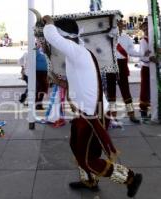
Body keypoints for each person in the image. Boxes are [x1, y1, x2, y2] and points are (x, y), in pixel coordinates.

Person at [42, 15, 142, 198]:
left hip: (92, 116)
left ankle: (130, 178)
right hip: (84, 114)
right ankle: (89, 181)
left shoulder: (77, 51)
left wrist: (49, 24)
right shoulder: (77, 52)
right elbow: (80, 83)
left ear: (65, 36)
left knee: (88, 158)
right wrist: (59, 82)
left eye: (60, 37)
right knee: (76, 146)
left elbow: (52, 36)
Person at [106, 19, 148, 124]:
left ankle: (131, 115)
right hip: (110, 65)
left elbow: (132, 51)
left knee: (126, 91)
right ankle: (113, 116)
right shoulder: (108, 37)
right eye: (116, 23)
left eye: (120, 23)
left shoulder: (126, 38)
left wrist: (143, 53)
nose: (119, 25)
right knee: (111, 93)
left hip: (122, 65)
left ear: (123, 25)